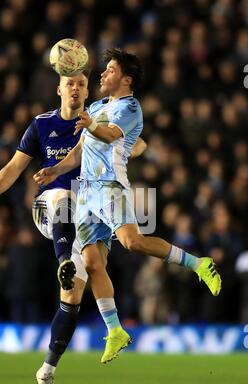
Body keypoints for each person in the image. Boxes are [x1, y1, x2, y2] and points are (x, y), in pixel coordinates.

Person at [34, 48, 222, 367]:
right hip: (86, 195)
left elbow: (108, 136)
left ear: (126, 79)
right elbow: (79, 153)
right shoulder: (95, 107)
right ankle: (116, 330)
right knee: (93, 263)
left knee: (132, 242)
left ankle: (198, 264)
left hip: (110, 188)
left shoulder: (130, 107)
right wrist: (55, 170)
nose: (103, 74)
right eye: (105, 69)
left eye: (110, 70)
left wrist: (91, 125)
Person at [0, 70, 147, 384]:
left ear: (87, 91)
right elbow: (15, 166)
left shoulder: (99, 118)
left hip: (90, 215)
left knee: (71, 300)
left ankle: (47, 370)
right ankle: (63, 263)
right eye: (69, 83)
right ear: (59, 89)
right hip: (49, 207)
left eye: (82, 84)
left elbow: (138, 142)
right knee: (62, 200)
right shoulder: (42, 125)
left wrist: (125, 145)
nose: (76, 88)